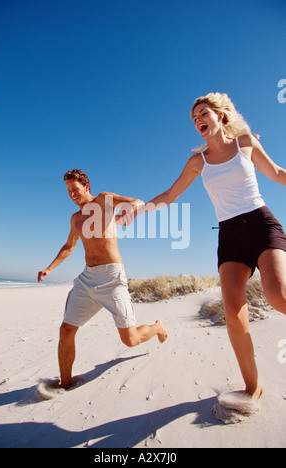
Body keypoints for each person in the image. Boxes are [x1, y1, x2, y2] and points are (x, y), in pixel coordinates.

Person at [117, 92, 286, 405]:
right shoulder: (199, 161)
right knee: (234, 316)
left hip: (262, 225)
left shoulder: (245, 143)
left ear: (219, 116)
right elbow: (169, 194)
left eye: (202, 114)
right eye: (194, 119)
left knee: (278, 296)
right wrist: (138, 209)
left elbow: (276, 173)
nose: (197, 121)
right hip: (230, 235)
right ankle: (253, 388)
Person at [38, 169, 168, 390]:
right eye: (68, 191)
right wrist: (49, 268)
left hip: (112, 277)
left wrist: (130, 213)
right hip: (87, 279)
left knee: (130, 340)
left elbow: (137, 201)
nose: (71, 194)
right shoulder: (76, 219)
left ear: (86, 187)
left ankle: (157, 328)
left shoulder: (104, 200)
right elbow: (69, 246)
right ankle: (64, 385)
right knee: (66, 330)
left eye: (75, 189)